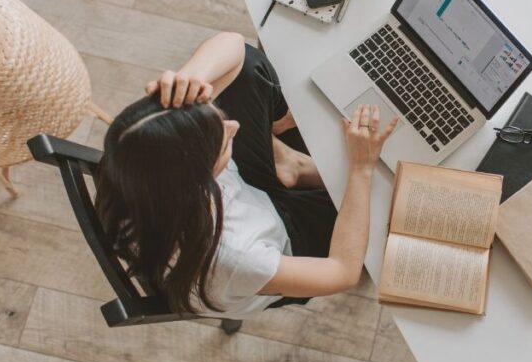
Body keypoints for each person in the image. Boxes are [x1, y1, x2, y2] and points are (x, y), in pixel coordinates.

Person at [95, 32, 397, 319]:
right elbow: (342, 272)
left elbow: (235, 48)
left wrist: (190, 78)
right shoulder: (238, 258)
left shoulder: (137, 155)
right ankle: (290, 164)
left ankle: (288, 166)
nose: (233, 128)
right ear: (202, 179)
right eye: (222, 139)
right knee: (384, 206)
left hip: (243, 200)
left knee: (250, 68)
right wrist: (361, 168)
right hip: (284, 241)